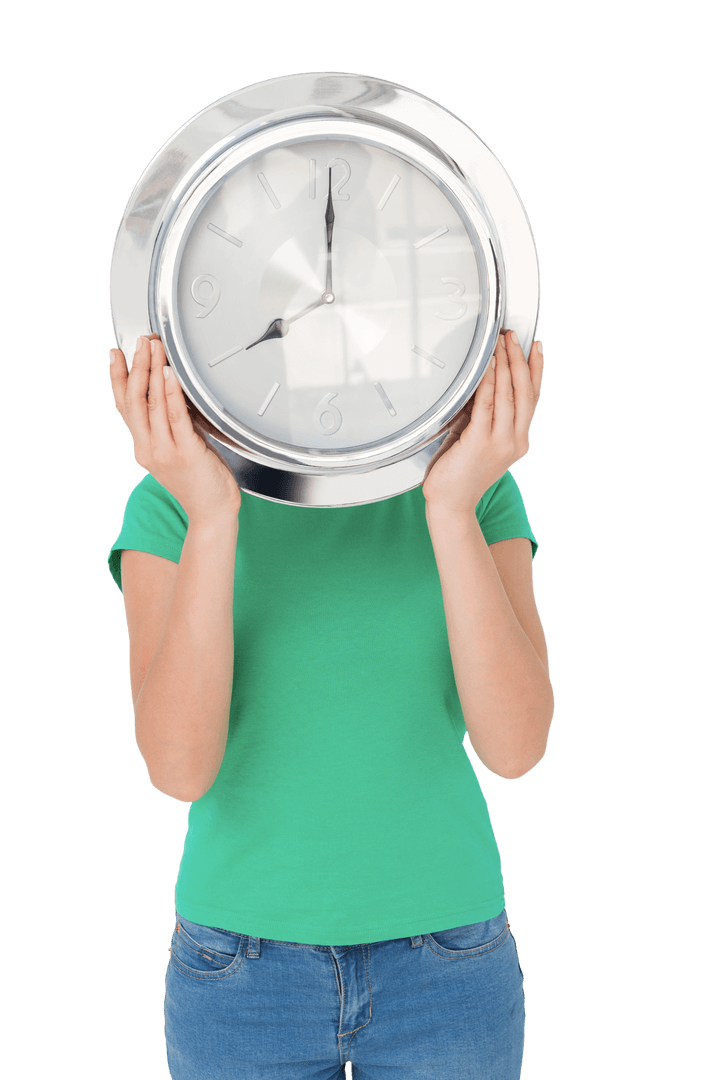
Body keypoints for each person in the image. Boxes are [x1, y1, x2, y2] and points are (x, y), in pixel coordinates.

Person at [106, 330, 553, 1080]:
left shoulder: (477, 490)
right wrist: (214, 514)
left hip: (447, 963)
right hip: (240, 973)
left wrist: (449, 506)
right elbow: (179, 768)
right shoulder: (172, 505)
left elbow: (516, 747)